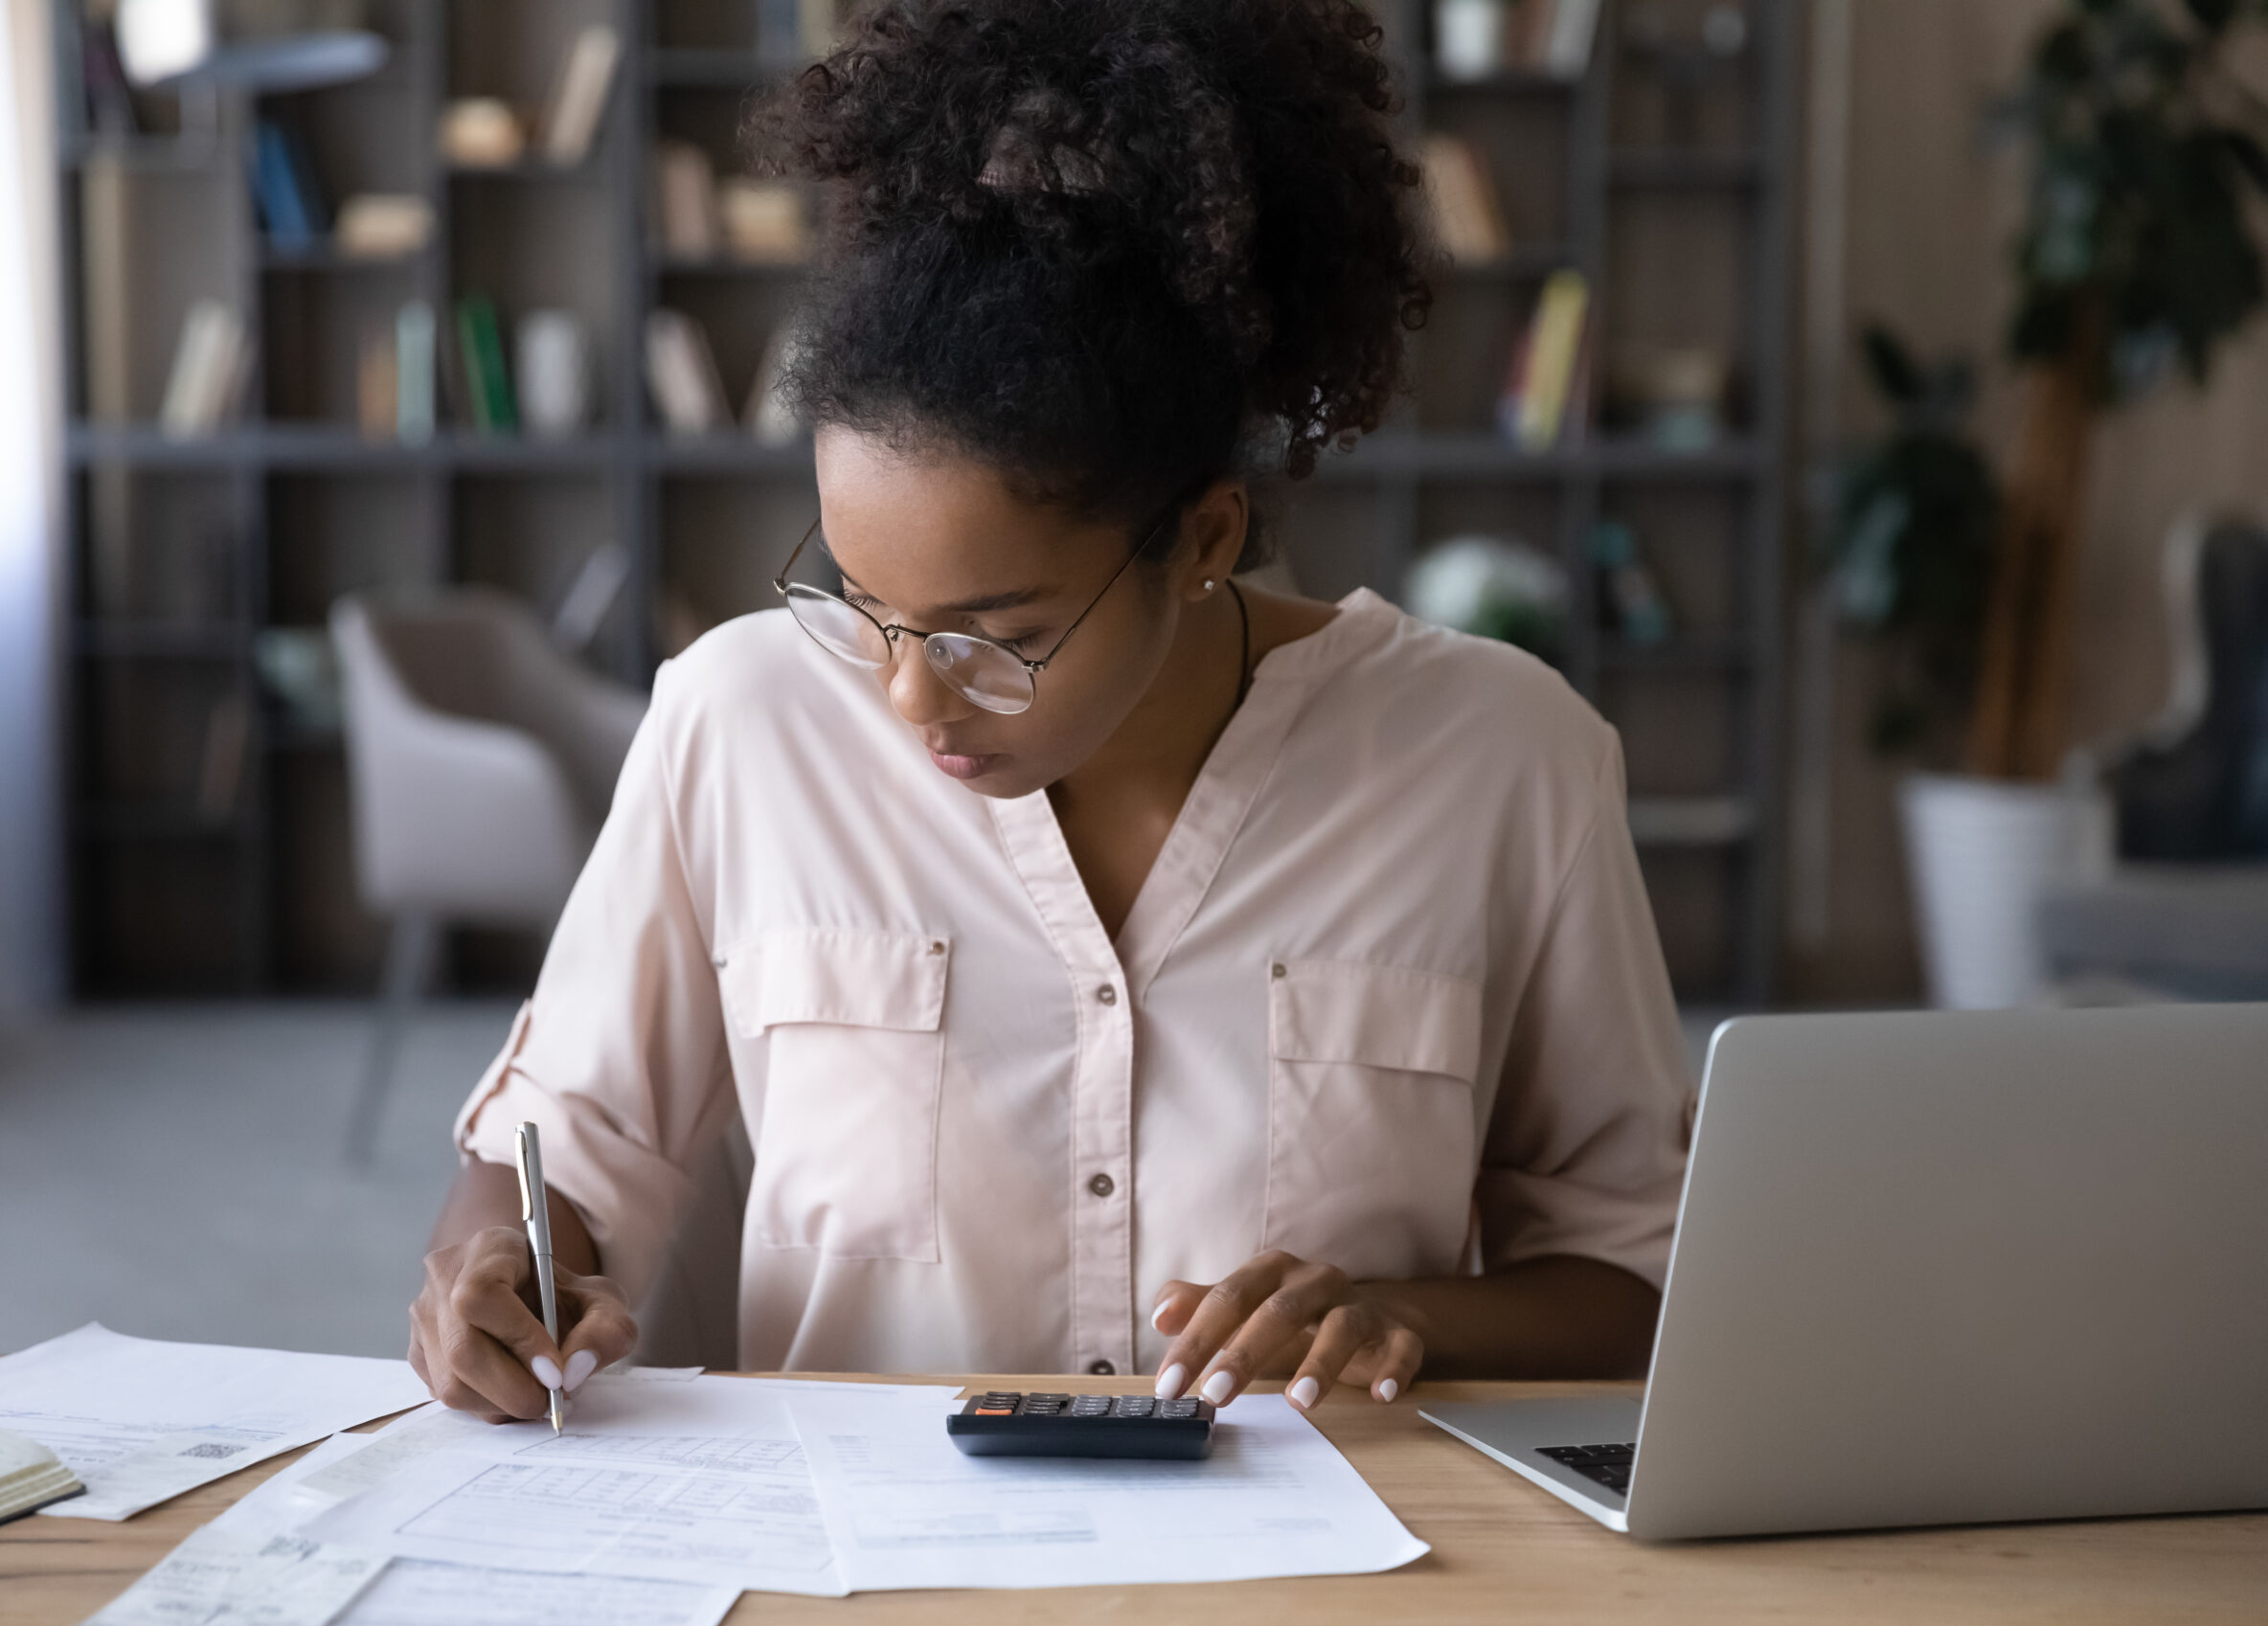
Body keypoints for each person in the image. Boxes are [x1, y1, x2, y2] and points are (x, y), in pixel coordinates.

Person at [408, 0, 1690, 1424]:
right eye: (866, 604)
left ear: (1202, 541)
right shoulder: (741, 722)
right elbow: (562, 1150)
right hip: (863, 1572)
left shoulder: (1503, 762)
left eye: (996, 638)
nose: (907, 696)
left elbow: (1635, 1275)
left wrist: (1407, 1318)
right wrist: (494, 1270)